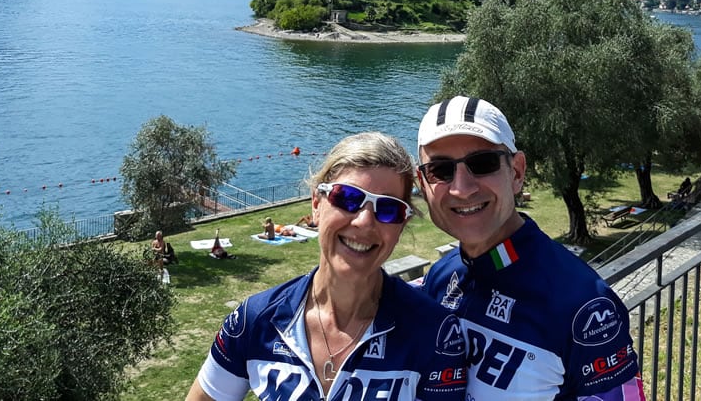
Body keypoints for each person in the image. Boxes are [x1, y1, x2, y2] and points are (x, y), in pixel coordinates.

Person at [187, 132, 468, 401]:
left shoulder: (434, 334)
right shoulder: (255, 319)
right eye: (347, 198)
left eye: (388, 209)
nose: (364, 222)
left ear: (401, 225)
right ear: (316, 204)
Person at [417, 96, 646, 401]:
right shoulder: (440, 277)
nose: (462, 188)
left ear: (517, 172)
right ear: (422, 184)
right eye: (440, 170)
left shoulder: (584, 304)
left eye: (483, 163)